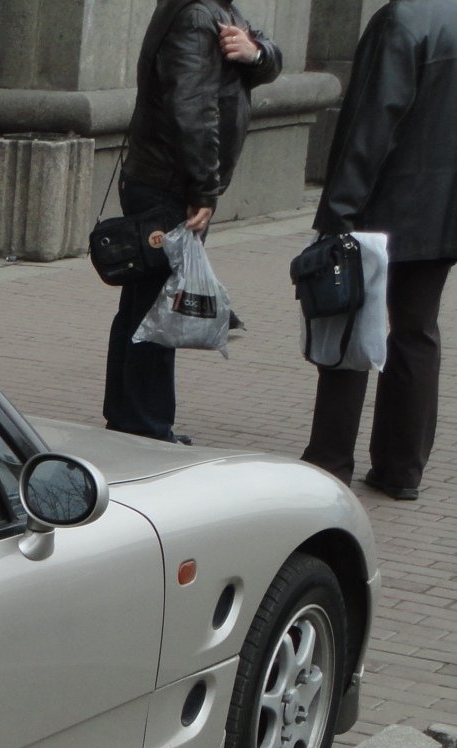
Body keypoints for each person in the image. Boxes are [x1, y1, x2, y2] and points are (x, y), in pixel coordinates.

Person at [104, 0, 282, 442]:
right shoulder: (198, 15)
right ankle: (145, 425)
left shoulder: (214, 10)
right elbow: (193, 107)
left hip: (164, 180)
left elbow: (268, 59)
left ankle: (128, 415)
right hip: (170, 186)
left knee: (141, 303)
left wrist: (256, 51)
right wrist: (205, 187)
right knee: (157, 308)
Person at [301, 0, 457, 502]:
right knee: (416, 331)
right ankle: (400, 468)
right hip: (442, 210)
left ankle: (330, 460)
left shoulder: (401, 20)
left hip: (384, 207)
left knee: (348, 325)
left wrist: (337, 214)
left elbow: (371, 124)